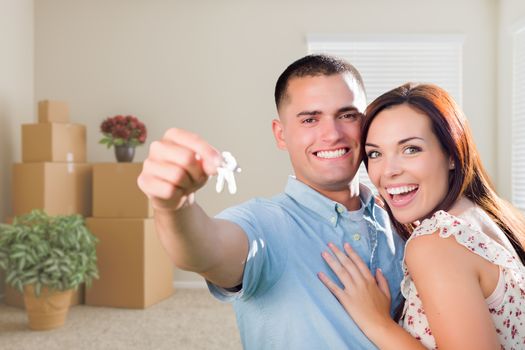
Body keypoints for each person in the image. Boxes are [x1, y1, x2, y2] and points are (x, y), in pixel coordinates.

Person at [137, 54, 405, 349]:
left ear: (365, 124)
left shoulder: (397, 216)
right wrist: (174, 207)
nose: (332, 134)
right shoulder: (264, 222)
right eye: (310, 119)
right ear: (281, 134)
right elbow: (206, 250)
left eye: (347, 115)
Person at [319, 83, 525, 349]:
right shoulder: (484, 216)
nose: (389, 171)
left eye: (411, 149)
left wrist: (377, 322)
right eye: (375, 153)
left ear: (451, 154)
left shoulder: (436, 243)